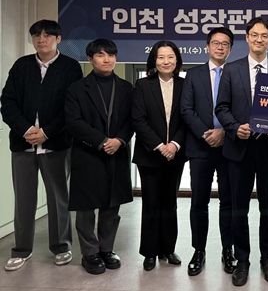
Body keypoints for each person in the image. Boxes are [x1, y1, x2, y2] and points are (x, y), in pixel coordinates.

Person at [1, 20, 82, 271]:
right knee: (23, 199)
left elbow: (71, 107)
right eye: (37, 35)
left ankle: (61, 246)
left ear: (58, 39)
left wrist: (46, 132)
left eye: (48, 35)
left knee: (58, 198)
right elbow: (8, 102)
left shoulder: (70, 67)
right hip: (23, 144)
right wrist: (26, 130)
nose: (41, 39)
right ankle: (21, 250)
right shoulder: (22, 65)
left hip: (56, 144)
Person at [215, 17, 268, 287]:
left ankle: (267, 258)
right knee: (239, 209)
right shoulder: (231, 69)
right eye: (254, 35)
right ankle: (242, 260)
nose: (259, 39)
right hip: (239, 149)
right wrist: (235, 128)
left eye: (264, 35)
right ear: (247, 38)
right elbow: (221, 107)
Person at [64, 38, 134, 275]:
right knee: (86, 206)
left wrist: (120, 140)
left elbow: (132, 120)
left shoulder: (126, 88)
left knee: (111, 205)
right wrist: (102, 141)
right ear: (90, 59)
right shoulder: (77, 88)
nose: (107, 60)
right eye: (101, 55)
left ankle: (106, 249)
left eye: (111, 55)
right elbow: (73, 122)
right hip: (88, 152)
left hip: (117, 152)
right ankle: (90, 253)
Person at [180, 27, 236, 276]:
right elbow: (186, 110)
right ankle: (198, 250)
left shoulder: (236, 73)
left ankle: (228, 251)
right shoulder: (193, 75)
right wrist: (207, 133)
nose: (220, 47)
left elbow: (242, 109)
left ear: (230, 49)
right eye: (215, 43)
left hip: (230, 146)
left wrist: (223, 132)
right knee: (199, 202)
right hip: (200, 147)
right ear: (207, 47)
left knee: (229, 202)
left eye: (225, 44)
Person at [132, 41, 186, 271]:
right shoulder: (143, 85)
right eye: (161, 57)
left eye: (170, 57)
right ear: (154, 60)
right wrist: (159, 145)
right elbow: (138, 119)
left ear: (177, 60)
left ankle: (168, 249)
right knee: (151, 203)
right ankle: (150, 252)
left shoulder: (185, 85)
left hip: (176, 154)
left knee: (170, 203)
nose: (166, 61)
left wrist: (174, 145)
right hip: (149, 155)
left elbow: (187, 117)